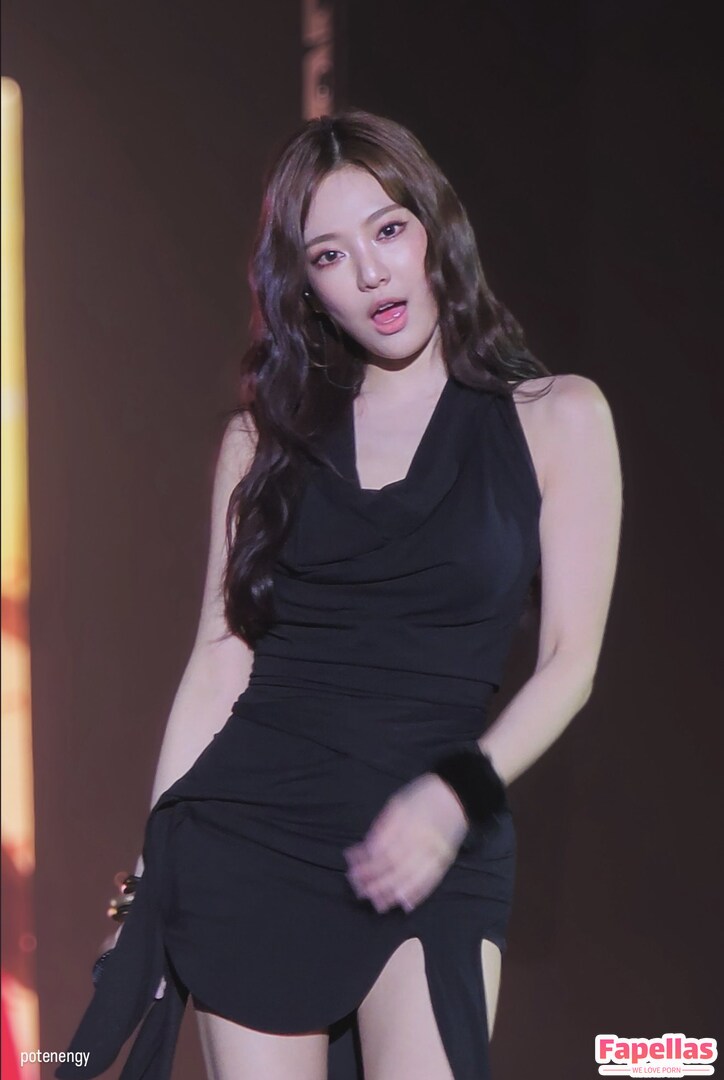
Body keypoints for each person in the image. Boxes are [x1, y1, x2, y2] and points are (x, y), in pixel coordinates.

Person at [56, 108, 622, 1080]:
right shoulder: (261, 443)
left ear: (435, 228)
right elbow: (217, 667)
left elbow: (570, 663)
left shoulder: (558, 418)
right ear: (304, 284)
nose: (369, 273)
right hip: (250, 837)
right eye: (329, 253)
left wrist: (455, 794)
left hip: (437, 842)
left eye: (388, 230)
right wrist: (148, 888)